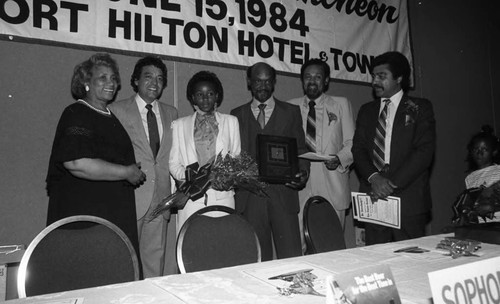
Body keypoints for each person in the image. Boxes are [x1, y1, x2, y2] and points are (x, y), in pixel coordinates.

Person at [46, 53, 146, 259]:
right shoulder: (77, 113)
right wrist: (126, 171)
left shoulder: (109, 116)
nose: (111, 83)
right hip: (87, 222)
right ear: (86, 82)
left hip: (112, 217)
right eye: (102, 77)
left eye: (113, 78)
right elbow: (76, 162)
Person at [352, 51, 436, 245]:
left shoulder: (420, 107)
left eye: (382, 76)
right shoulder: (367, 110)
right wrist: (375, 179)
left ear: (399, 78)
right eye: (373, 76)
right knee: (377, 261)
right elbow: (359, 150)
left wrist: (388, 184)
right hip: (373, 198)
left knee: (410, 261)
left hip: (408, 200)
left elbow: (424, 153)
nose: (375, 81)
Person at [230, 62, 309, 261]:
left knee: (291, 258)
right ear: (249, 82)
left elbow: (300, 150)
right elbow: (233, 156)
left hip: (284, 195)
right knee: (256, 260)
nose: (262, 86)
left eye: (267, 81)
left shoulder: (291, 111)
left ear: (274, 82)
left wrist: (303, 173)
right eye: (257, 81)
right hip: (250, 198)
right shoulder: (236, 115)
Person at [109, 56, 178, 277]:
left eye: (160, 79)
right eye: (148, 77)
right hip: (131, 197)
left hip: (161, 198)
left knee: (154, 262)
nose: (154, 83)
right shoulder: (117, 110)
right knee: (124, 260)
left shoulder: (172, 113)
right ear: (136, 80)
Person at [287, 58, 355, 251]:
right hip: (300, 183)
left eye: (318, 77)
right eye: (307, 77)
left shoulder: (341, 104)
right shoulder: (290, 106)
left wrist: (339, 158)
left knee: (330, 245)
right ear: (302, 80)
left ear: (326, 81)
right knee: (297, 246)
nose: (312, 81)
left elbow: (352, 143)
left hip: (332, 181)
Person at [169, 71, 241, 233]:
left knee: (222, 246)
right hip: (191, 200)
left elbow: (236, 159)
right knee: (192, 248)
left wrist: (224, 178)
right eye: (199, 94)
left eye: (210, 94)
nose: (205, 98)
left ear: (217, 96)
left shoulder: (231, 122)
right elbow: (173, 163)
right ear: (192, 98)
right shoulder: (179, 125)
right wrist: (192, 178)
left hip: (223, 198)